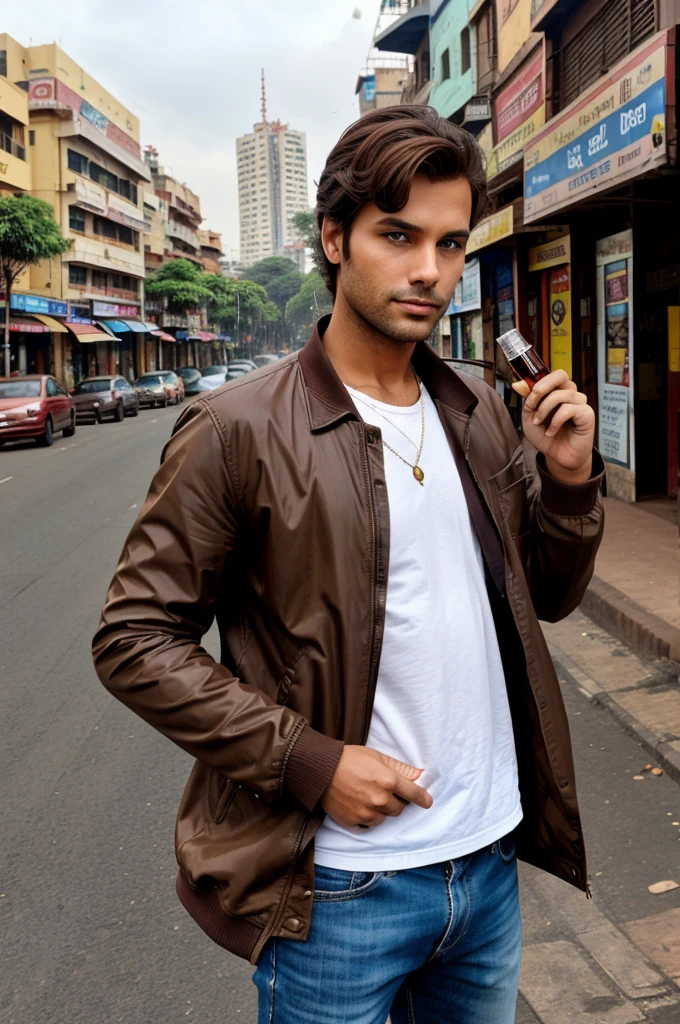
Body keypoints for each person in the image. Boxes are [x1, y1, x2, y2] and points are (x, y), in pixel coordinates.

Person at [93, 105, 604, 1024]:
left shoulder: (479, 411)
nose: (428, 271)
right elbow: (133, 638)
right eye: (397, 236)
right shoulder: (237, 429)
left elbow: (548, 601)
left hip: (485, 869)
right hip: (339, 891)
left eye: (452, 244)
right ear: (335, 239)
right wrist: (311, 761)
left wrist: (568, 486)